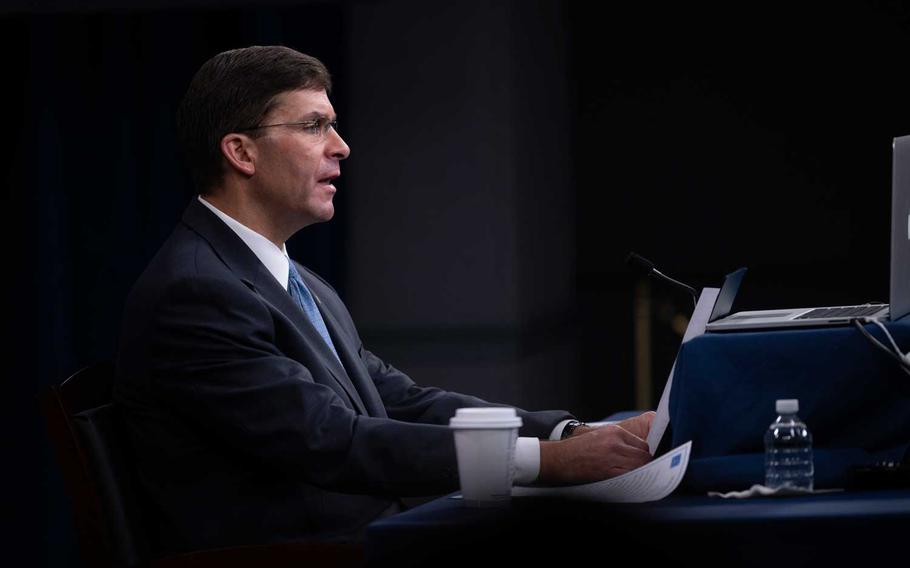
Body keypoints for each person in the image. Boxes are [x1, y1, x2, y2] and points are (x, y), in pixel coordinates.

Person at [114, 45, 655, 556]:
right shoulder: (196, 292)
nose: (340, 145)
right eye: (313, 126)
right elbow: (333, 441)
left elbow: (400, 400)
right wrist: (547, 462)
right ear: (240, 152)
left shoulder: (288, 275)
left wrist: (567, 432)